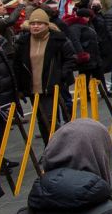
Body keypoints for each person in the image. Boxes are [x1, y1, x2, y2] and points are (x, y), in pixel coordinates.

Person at [12, 8, 76, 138]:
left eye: (39, 24)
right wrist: (19, 87)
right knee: (42, 120)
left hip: (51, 86)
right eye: (33, 24)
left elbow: (70, 59)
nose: (35, 26)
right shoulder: (22, 42)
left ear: (47, 25)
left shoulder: (58, 39)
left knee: (50, 120)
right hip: (32, 88)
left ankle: (60, 147)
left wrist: (61, 75)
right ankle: (50, 149)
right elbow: (17, 65)